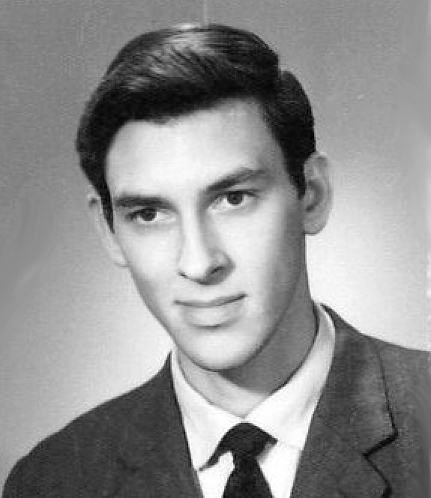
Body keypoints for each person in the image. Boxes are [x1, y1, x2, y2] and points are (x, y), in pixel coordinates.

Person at [3, 23, 428, 498]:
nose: (199, 263)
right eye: (149, 214)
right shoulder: (51, 481)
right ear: (110, 232)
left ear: (312, 195)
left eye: (233, 198)